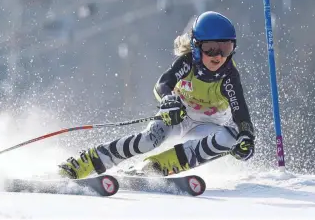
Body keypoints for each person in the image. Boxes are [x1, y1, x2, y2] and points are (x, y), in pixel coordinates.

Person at [58, 11, 255, 179]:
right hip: (177, 116)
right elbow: (162, 84)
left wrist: (246, 139)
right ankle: (87, 161)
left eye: (225, 48)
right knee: (149, 140)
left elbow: (241, 113)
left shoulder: (229, 76)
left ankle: (156, 167)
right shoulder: (188, 63)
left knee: (231, 137)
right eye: (210, 49)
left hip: (206, 127)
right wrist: (168, 101)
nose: (218, 56)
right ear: (196, 47)